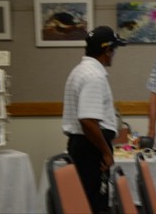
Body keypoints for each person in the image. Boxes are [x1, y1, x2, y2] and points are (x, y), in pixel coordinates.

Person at [62, 26, 126, 214]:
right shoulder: (94, 76)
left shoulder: (80, 71)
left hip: (82, 144)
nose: (114, 55)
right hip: (90, 148)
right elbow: (88, 120)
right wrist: (106, 152)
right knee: (95, 204)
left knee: (83, 203)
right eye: (114, 50)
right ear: (107, 50)